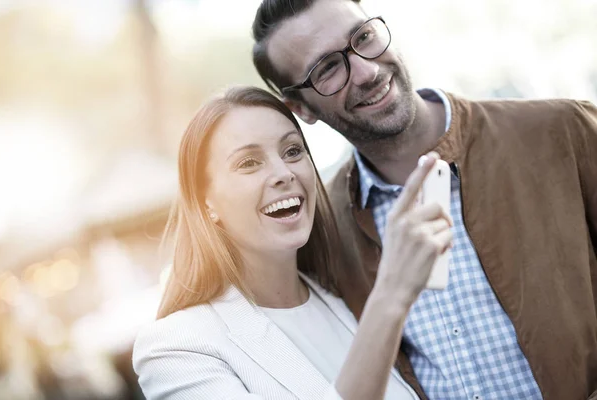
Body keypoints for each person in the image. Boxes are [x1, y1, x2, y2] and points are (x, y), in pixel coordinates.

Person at [251, 0, 597, 399]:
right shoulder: (322, 233)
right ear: (300, 109)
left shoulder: (564, 133)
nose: (366, 71)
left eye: (363, 37)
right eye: (327, 69)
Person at [132, 86, 454, 399]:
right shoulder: (175, 348)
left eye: (292, 151)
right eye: (248, 163)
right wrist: (391, 296)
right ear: (206, 203)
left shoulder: (343, 303)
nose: (283, 173)